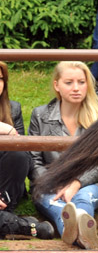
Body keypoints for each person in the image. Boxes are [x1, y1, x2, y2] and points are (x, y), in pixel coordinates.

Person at [29, 62, 98, 249]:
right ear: (57, 85)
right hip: (48, 185)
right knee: (59, 207)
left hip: (87, 184)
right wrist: (55, 183)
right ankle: (83, 235)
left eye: (81, 82)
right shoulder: (40, 115)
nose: (76, 88)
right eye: (69, 82)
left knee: (84, 199)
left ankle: (74, 233)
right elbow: (34, 160)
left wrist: (76, 184)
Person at [0, 62, 54, 239]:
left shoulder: (13, 109)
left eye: (0, 79)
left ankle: (6, 212)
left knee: (18, 154)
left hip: (5, 186)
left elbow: (22, 154)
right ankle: (26, 226)